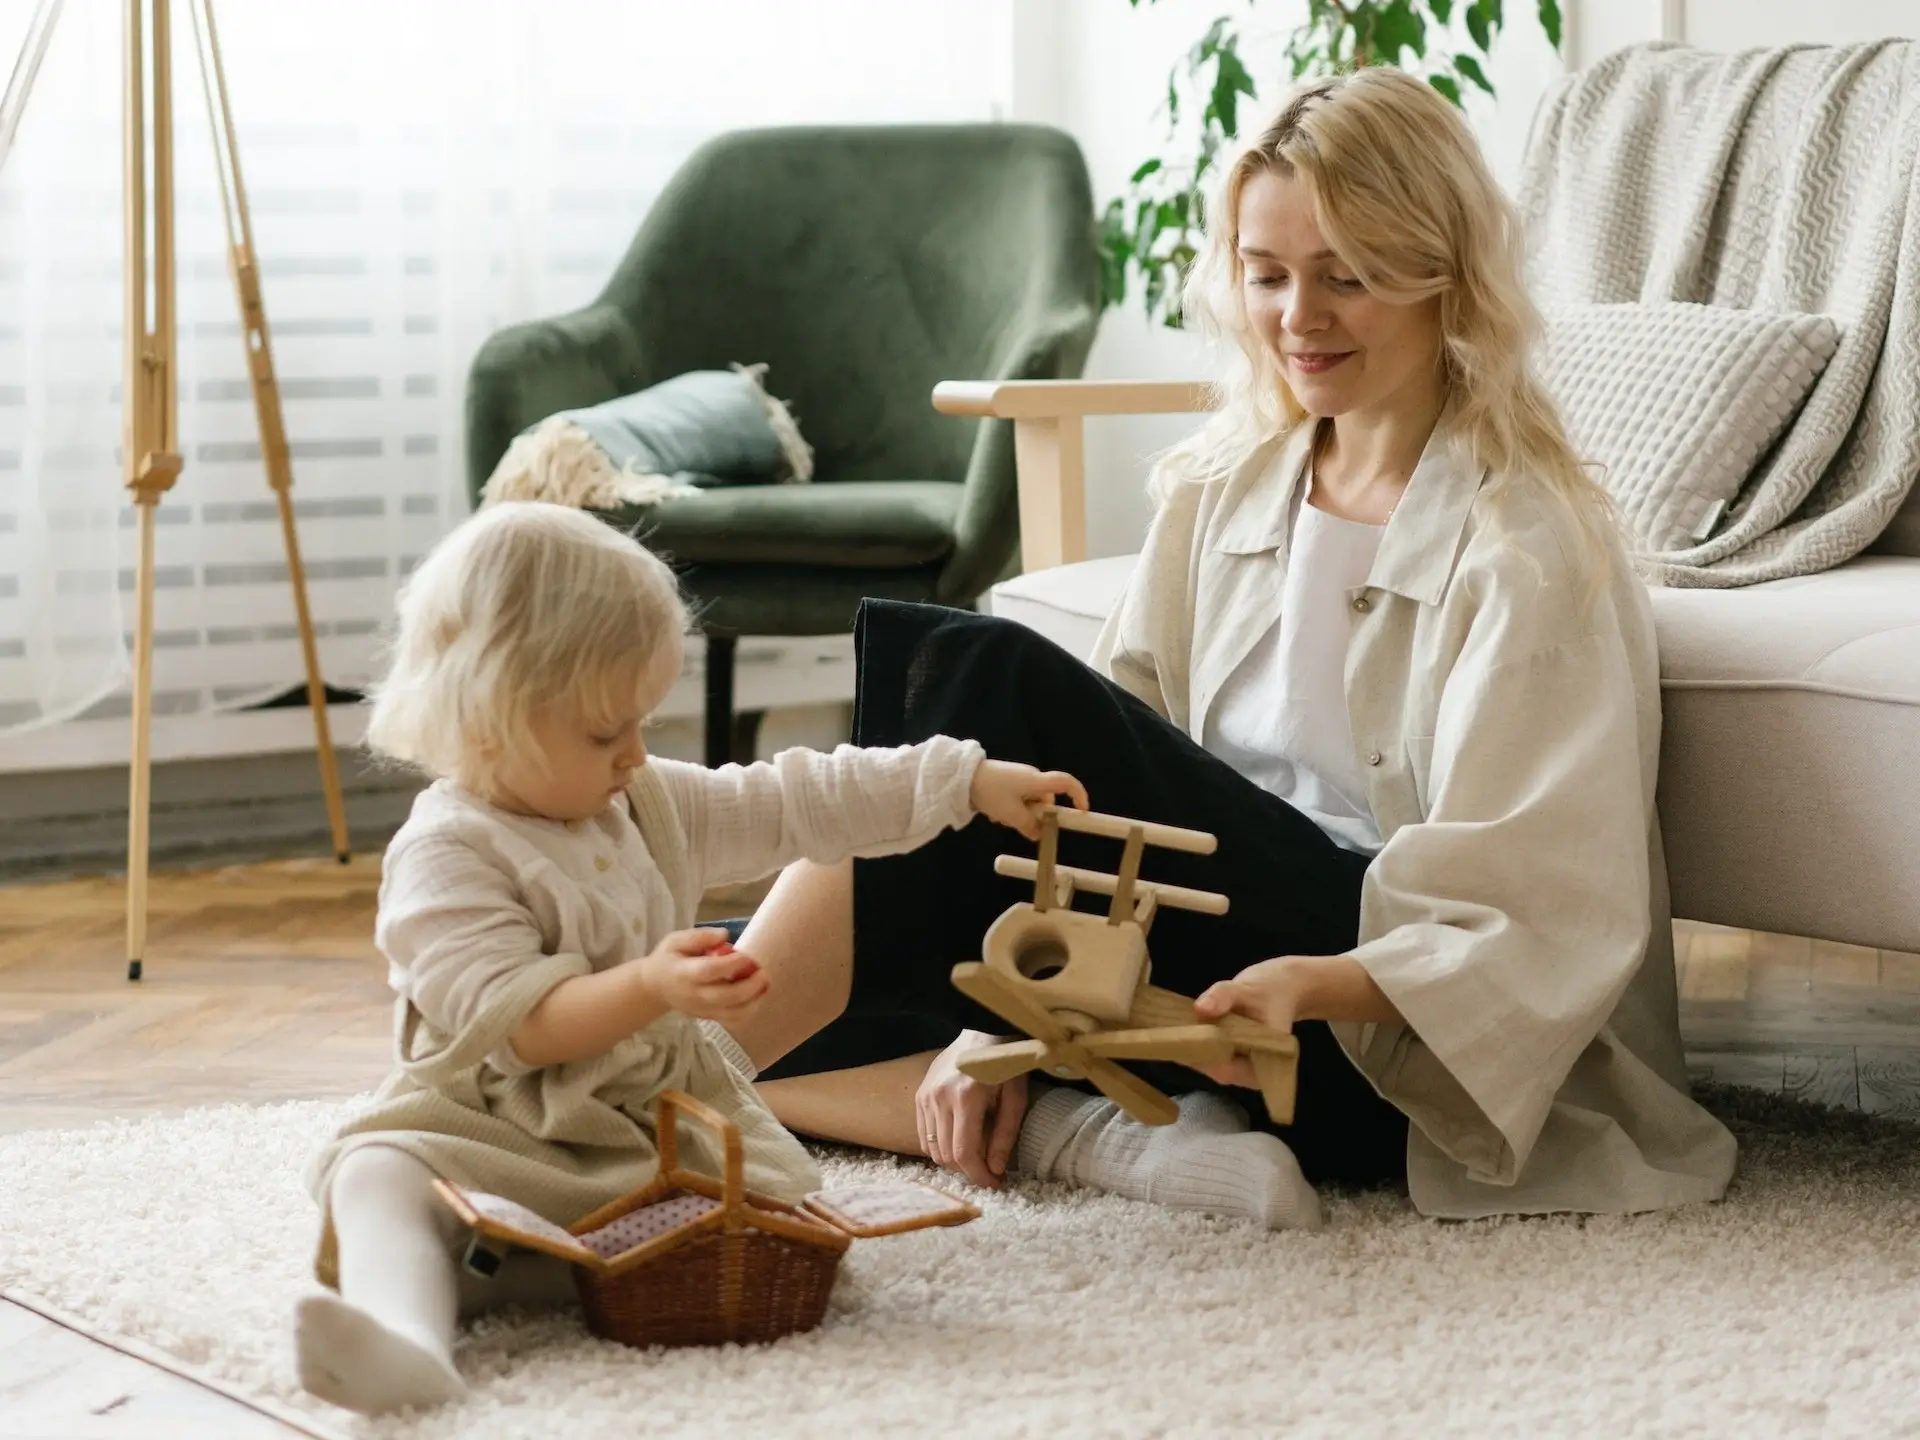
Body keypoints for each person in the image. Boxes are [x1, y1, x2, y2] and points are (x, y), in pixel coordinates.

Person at [709, 67, 1738, 1232]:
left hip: (1355, 1033)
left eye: (1346, 276)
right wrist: (1007, 1014)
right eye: (1267, 275)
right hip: (1186, 970)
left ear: (1441, 274)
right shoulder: (1226, 488)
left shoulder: (1529, 548)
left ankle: (610, 1114)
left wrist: (1315, 984)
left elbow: (1543, 911)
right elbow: (1106, 784)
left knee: (986, 680)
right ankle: (1098, 1138)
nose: (1300, 316)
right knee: (707, 959)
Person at [295, 500, 1086, 1415]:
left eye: (643, 721)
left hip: (653, 1123)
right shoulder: (447, 854)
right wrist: (649, 986)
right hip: (498, 1122)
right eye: (605, 733)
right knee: (373, 1171)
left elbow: (801, 801)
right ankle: (408, 1339)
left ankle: (520, 1266)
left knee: (768, 1226)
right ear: (487, 722)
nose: (636, 753)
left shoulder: (644, 800)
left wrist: (963, 781)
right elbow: (519, 1032)